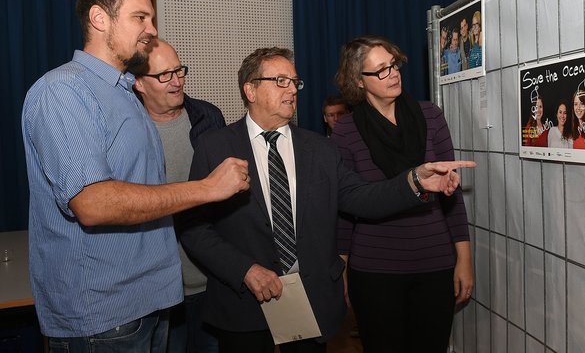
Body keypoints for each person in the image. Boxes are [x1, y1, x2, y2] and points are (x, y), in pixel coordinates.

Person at [178, 47, 476, 353]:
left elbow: (363, 197)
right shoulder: (214, 148)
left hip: (310, 300)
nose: (293, 89)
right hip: (243, 303)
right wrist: (245, 270)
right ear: (250, 90)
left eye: (295, 82)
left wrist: (413, 180)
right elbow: (193, 228)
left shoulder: (320, 149)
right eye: (281, 81)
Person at [21, 0, 249, 352]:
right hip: (103, 314)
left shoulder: (125, 93)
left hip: (149, 301)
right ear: (100, 19)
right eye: (140, 18)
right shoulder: (63, 91)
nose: (152, 29)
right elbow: (92, 203)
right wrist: (208, 188)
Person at [332, 35, 474, 353]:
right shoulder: (345, 131)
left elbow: (452, 195)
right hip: (375, 270)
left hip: (435, 262)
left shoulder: (431, 116)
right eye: (381, 70)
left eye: (394, 65)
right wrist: (340, 269)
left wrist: (464, 258)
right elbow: (346, 208)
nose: (393, 73)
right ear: (359, 81)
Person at [129, 39, 222, 352]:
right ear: (139, 83)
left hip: (211, 279)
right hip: (155, 290)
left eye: (179, 70)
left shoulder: (208, 117)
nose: (178, 80)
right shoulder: (125, 129)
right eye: (165, 75)